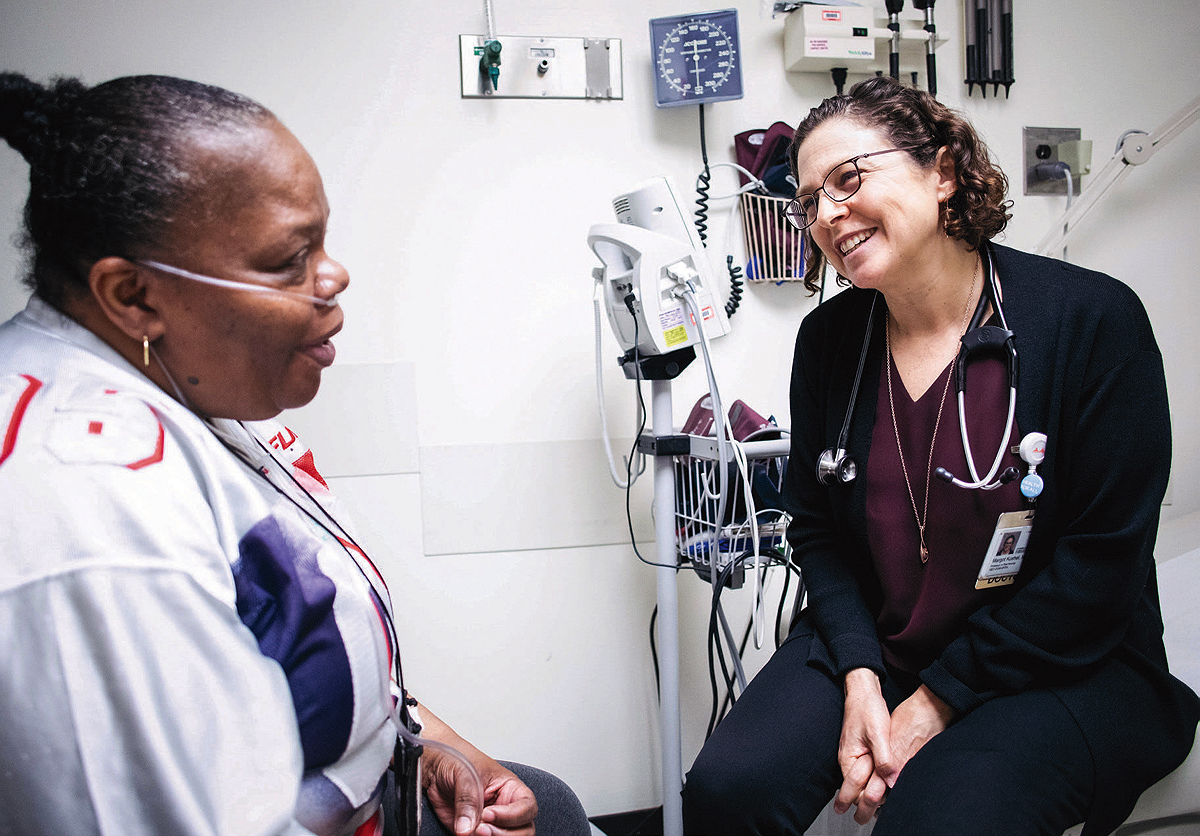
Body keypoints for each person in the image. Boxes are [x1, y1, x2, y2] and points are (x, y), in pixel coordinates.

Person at [0, 72, 590, 836]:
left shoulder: (181, 380)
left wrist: (431, 746)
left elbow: (295, 642)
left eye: (322, 241)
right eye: (288, 259)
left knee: (557, 805)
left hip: (384, 782)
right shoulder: (92, 513)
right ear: (135, 296)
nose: (333, 275)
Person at [682, 77, 1199, 835]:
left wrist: (935, 702)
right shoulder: (830, 343)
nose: (826, 215)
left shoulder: (1091, 320)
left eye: (849, 180)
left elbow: (1102, 561)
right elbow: (818, 533)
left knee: (937, 818)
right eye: (808, 201)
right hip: (886, 646)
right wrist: (861, 674)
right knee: (730, 789)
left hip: (1069, 659)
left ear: (944, 170)